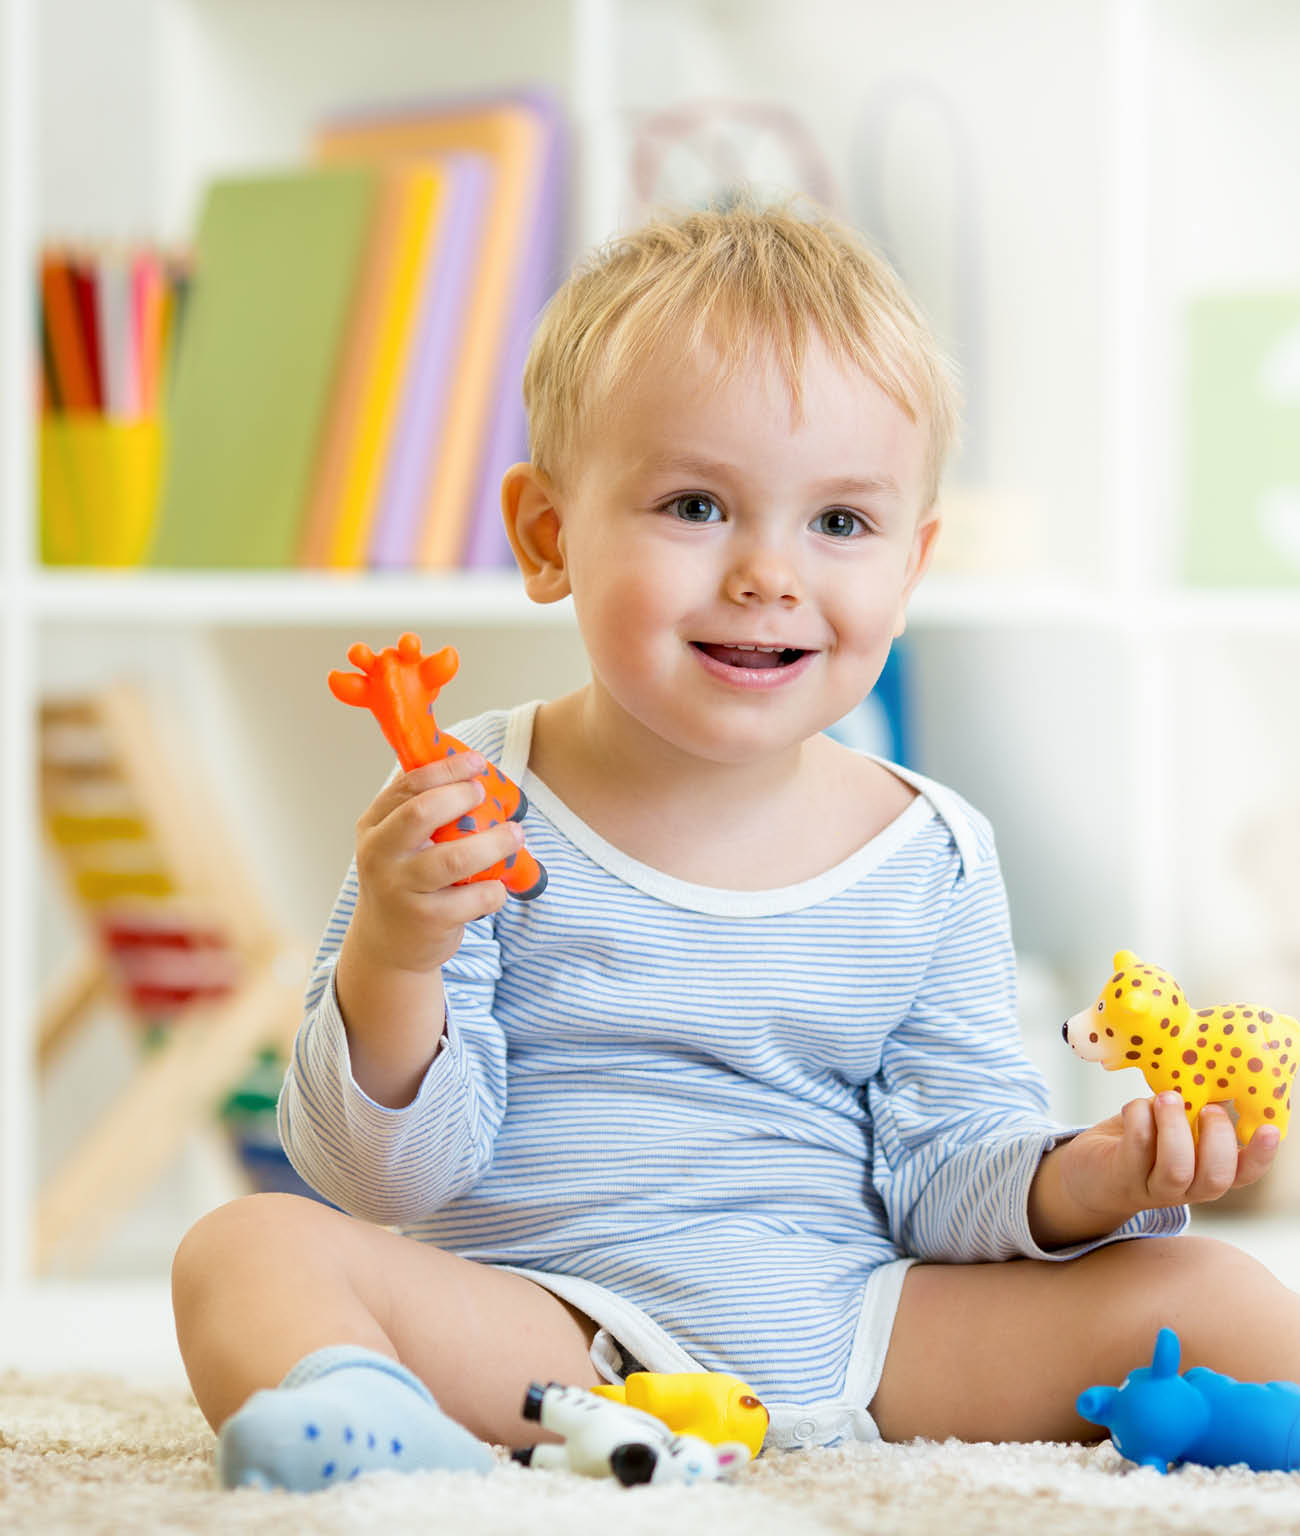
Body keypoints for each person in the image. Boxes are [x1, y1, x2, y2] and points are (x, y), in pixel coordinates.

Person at [172, 199, 1295, 1492]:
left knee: (1220, 1286)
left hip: (872, 1333)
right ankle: (382, 1434)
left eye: (840, 524)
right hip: (557, 1339)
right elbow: (379, 1177)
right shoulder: (466, 802)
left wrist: (1089, 1178)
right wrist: (397, 949)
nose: (770, 573)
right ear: (547, 537)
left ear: (912, 564)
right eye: (698, 505)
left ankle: (1219, 1414)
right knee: (248, 1251)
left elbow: (947, 1169)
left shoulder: (926, 850)